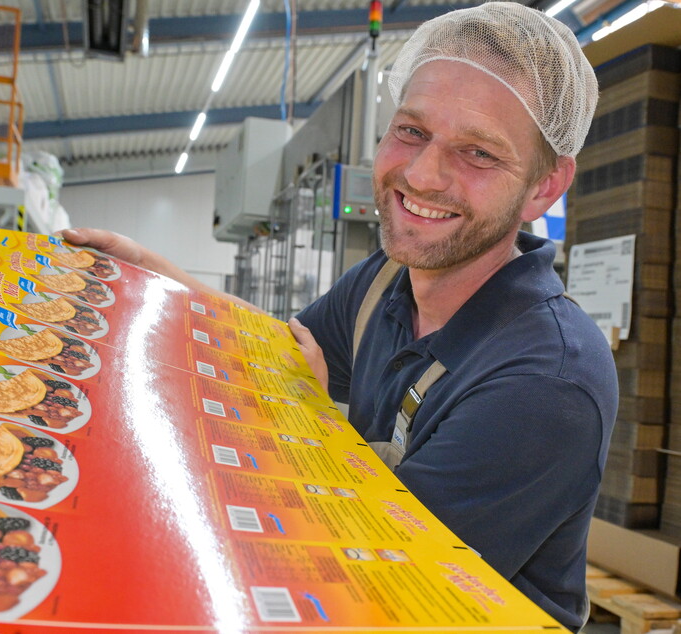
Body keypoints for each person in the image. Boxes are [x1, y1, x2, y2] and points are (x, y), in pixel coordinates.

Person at [62, 3, 616, 630]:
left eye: (479, 153)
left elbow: (375, 579)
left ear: (545, 186)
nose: (422, 174)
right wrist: (147, 270)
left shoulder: (546, 382)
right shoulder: (385, 283)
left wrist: (298, 419)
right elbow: (279, 347)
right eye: (411, 131)